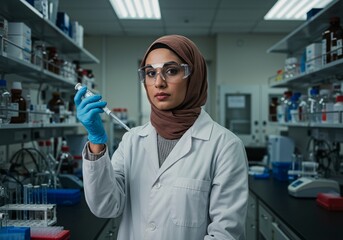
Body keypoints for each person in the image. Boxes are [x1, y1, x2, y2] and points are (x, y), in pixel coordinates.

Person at [74, 35, 249, 240]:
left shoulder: (225, 146)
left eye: (171, 70)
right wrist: (96, 142)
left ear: (194, 77)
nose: (158, 82)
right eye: (150, 73)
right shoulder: (132, 141)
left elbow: (225, 234)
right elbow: (106, 206)